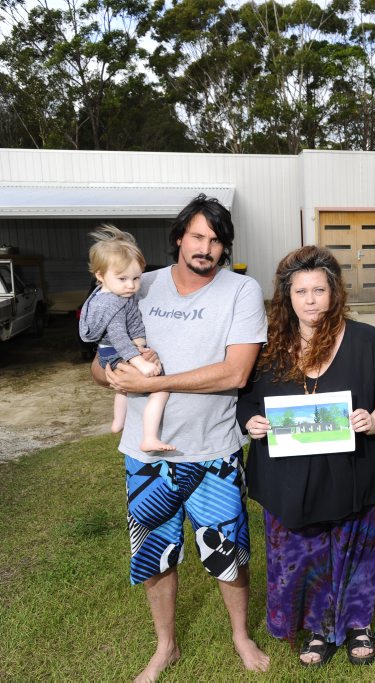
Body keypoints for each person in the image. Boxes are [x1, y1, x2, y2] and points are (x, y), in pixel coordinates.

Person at [92, 194, 271, 682]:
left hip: (213, 448)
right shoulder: (138, 284)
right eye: (197, 236)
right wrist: (111, 372)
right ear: (178, 238)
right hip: (144, 453)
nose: (206, 248)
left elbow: (236, 372)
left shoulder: (241, 291)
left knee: (226, 554)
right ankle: (165, 646)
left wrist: (149, 384)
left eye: (215, 240)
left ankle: (240, 635)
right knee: (154, 553)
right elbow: (100, 357)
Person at [237, 245, 375, 668]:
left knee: (355, 551)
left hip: (355, 471)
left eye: (319, 289)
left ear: (334, 293)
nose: (311, 299)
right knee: (304, 553)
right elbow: (246, 401)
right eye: (301, 291)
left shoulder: (364, 339)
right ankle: (316, 629)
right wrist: (252, 423)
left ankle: (357, 626)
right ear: (287, 296)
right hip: (290, 477)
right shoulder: (269, 346)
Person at [79, 225, 173, 452]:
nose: (131, 285)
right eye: (122, 278)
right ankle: (149, 437)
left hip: (114, 351)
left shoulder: (116, 293)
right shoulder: (111, 303)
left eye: (136, 278)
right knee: (161, 389)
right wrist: (139, 361)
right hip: (115, 352)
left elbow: (133, 325)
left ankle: (118, 422)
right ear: (100, 276)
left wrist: (139, 343)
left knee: (123, 388)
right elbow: (120, 337)